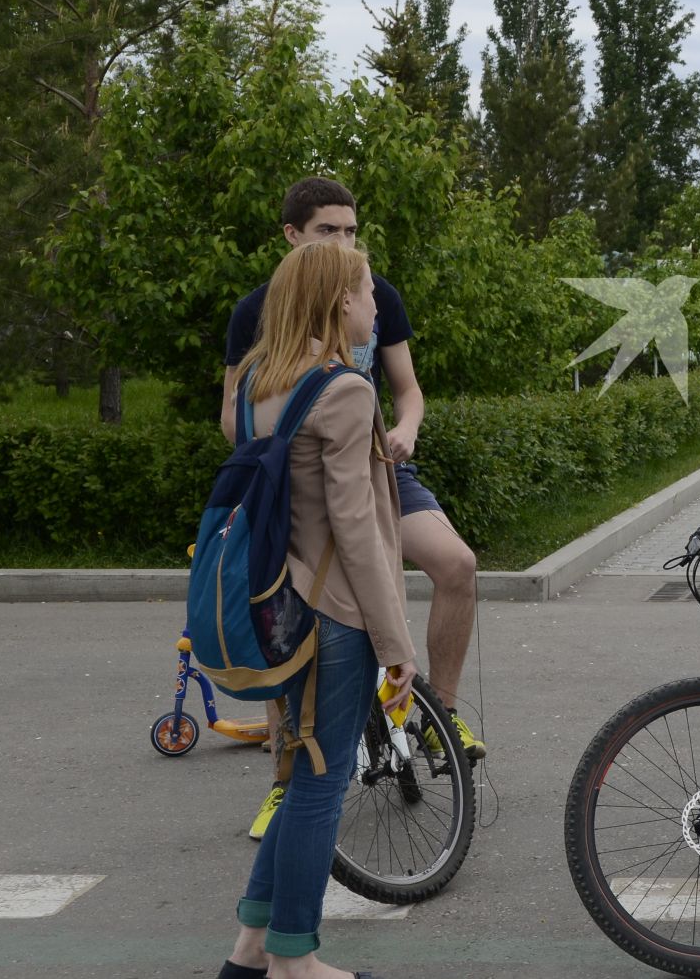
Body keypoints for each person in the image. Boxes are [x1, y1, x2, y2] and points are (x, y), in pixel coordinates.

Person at [223, 178, 483, 842]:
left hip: (379, 469)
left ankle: (435, 718)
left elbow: (409, 390)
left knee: (456, 564)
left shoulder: (376, 294)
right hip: (301, 490)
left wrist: (405, 431)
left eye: (350, 229)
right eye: (327, 231)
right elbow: (233, 416)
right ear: (291, 236)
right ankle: (287, 781)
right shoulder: (256, 311)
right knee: (287, 615)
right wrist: (286, 447)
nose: (344, 243)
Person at [218, 240, 416, 979]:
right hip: (334, 613)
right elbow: (356, 530)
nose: (375, 305)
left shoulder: (256, 386)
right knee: (322, 785)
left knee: (300, 774)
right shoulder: (343, 389)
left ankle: (248, 950)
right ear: (340, 302)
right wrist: (398, 640)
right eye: (367, 292)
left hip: (272, 609)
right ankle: (294, 962)